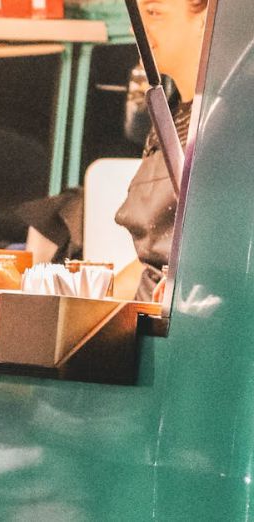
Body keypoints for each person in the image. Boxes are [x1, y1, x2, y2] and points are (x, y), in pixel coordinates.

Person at [115, 0, 208, 301]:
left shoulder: (234, 124)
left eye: (153, 13)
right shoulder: (165, 123)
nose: (135, 28)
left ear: (206, 19)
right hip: (148, 322)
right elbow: (149, 267)